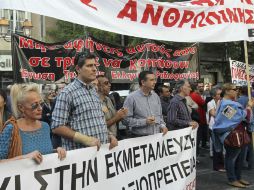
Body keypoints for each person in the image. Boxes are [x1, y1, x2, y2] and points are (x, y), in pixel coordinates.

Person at [51, 52, 118, 151]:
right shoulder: (67, 92)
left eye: (95, 65)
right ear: (78, 69)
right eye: (90, 65)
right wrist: (85, 139)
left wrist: (109, 135)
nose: (95, 69)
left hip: (99, 154)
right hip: (80, 157)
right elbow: (57, 127)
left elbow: (97, 120)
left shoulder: (93, 90)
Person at [0, 83, 66, 164]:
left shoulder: (45, 126)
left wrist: (56, 152)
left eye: (41, 103)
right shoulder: (11, 128)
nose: (40, 108)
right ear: (21, 107)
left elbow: (43, 153)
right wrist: (24, 158)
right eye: (34, 105)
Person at [212, 83, 253, 188]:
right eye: (234, 89)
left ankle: (238, 177)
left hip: (239, 133)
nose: (236, 91)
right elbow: (237, 117)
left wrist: (245, 111)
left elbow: (239, 117)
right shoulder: (226, 104)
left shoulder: (231, 103)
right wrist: (248, 108)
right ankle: (232, 179)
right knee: (231, 158)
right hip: (231, 134)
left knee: (239, 158)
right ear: (227, 91)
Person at [123, 71, 168, 137]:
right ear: (143, 82)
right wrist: (144, 122)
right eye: (152, 80)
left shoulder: (155, 96)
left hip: (157, 137)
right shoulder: (131, 98)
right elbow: (125, 120)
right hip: (140, 139)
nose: (155, 82)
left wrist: (163, 126)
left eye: (155, 80)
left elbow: (159, 116)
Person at [207, 87, 225, 171]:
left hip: (221, 127)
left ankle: (221, 164)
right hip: (213, 127)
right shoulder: (210, 103)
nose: (221, 95)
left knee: (221, 147)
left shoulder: (222, 102)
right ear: (214, 96)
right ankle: (217, 166)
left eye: (221, 93)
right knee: (216, 147)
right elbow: (214, 114)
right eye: (218, 94)